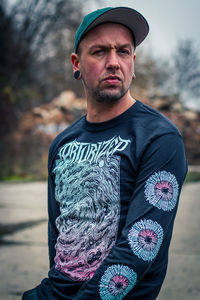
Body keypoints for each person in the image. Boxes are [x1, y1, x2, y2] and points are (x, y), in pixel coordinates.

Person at [22, 6, 187, 300]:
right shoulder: (62, 143)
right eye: (99, 52)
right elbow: (57, 236)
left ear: (133, 63)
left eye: (123, 52)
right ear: (76, 63)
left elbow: (141, 246)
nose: (114, 62)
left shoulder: (159, 138)